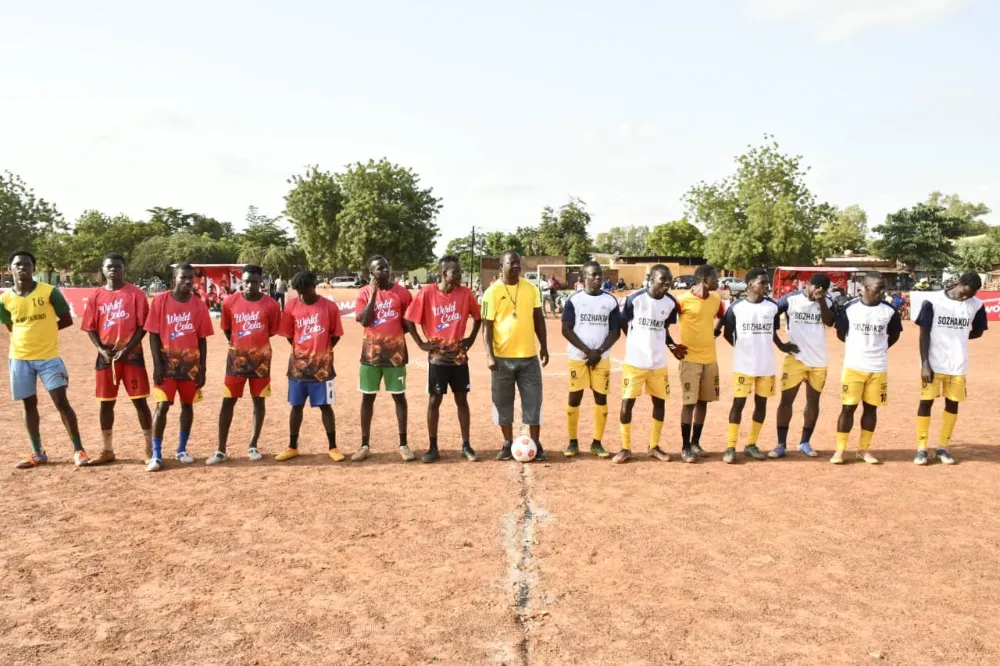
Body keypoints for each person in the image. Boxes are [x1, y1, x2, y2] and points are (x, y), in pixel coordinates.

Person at [1, 250, 91, 468]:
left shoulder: (50, 292)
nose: (22, 268)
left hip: (48, 357)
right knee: (28, 404)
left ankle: (79, 450)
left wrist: (46, 332)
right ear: (10, 268)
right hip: (20, 358)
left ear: (34, 268)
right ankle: (37, 452)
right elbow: (11, 326)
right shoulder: (5, 299)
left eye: (26, 264)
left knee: (61, 402)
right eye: (17, 264)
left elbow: (67, 320)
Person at [404, 255, 482, 462]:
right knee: (434, 400)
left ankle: (466, 445)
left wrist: (471, 339)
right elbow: (409, 320)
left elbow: (478, 317)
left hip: (458, 358)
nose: (459, 275)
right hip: (437, 359)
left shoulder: (465, 294)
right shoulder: (427, 293)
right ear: (443, 273)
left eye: (459, 271)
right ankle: (432, 447)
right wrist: (421, 343)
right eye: (455, 272)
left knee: (462, 400)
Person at [80, 252, 153, 465]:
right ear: (103, 270)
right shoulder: (96, 296)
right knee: (105, 404)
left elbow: (143, 326)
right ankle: (107, 449)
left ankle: (149, 448)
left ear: (124, 269)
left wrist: (128, 347)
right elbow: (90, 327)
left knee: (140, 402)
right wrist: (101, 349)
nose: (113, 270)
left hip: (132, 356)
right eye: (109, 266)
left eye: (117, 266)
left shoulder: (136, 294)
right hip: (106, 357)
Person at [721, 269, 798, 463]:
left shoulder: (772, 307)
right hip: (743, 366)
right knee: (738, 404)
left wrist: (781, 346)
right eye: (762, 283)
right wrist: (742, 349)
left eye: (767, 283)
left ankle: (751, 444)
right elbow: (727, 333)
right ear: (750, 285)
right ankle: (731, 447)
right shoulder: (736, 307)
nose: (766, 286)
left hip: (766, 366)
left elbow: (772, 331)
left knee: (761, 404)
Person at [144, 263, 215, 472]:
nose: (187, 281)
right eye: (183, 277)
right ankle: (156, 454)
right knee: (162, 406)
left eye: (190, 278)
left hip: (190, 367)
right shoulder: (160, 301)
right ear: (174, 278)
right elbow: (153, 335)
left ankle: (182, 449)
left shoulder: (199, 305)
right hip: (166, 366)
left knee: (187, 406)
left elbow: (202, 339)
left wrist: (202, 368)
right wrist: (157, 364)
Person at [208, 265, 282, 465]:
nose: (250, 285)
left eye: (255, 282)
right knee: (228, 401)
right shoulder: (230, 302)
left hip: (261, 361)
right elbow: (227, 329)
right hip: (235, 361)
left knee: (259, 401)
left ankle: (253, 445)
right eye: (246, 281)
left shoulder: (271, 305)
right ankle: (221, 449)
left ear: (262, 283)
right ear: (242, 281)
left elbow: (272, 331)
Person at [482, 251, 550, 460]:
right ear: (501, 266)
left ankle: (536, 444)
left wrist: (544, 346)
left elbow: (539, 319)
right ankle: (507, 443)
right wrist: (489, 355)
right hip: (502, 359)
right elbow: (487, 327)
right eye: (511, 263)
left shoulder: (531, 289)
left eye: (518, 264)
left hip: (528, 358)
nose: (516, 267)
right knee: (503, 402)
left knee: (534, 401)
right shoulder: (490, 293)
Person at [914, 272, 987, 465]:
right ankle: (921, 448)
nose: (966, 297)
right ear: (958, 283)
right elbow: (924, 334)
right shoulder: (933, 301)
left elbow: (978, 331)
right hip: (934, 364)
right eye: (964, 292)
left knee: (952, 404)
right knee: (926, 402)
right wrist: (925, 364)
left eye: (971, 295)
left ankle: (942, 447)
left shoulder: (976, 305)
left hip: (958, 365)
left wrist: (959, 337)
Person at [613, 264, 682, 464]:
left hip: (658, 363)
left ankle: (654, 446)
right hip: (634, 362)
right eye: (663, 280)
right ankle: (625, 448)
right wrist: (634, 340)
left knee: (659, 402)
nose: (667, 284)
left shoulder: (670, 303)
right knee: (627, 403)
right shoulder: (634, 300)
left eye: (669, 280)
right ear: (651, 280)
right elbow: (623, 322)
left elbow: (664, 328)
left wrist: (672, 346)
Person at [273, 271, 345, 461]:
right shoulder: (290, 307)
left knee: (326, 406)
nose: (302, 295)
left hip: (323, 368)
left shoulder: (329, 307)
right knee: (296, 406)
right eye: (299, 292)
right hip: (298, 367)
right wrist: (303, 353)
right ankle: (292, 446)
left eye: (305, 291)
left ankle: (333, 447)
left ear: (314, 286)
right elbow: (289, 334)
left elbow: (335, 335)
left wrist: (321, 352)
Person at [832, 272, 903, 464]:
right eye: (878, 288)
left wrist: (880, 349)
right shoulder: (849, 308)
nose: (882, 292)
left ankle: (864, 449)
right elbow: (841, 333)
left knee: (871, 409)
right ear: (864, 288)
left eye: (883, 288)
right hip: (853, 366)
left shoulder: (889, 311)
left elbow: (894, 335)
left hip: (878, 367)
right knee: (848, 408)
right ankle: (840, 450)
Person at [354, 255, 414, 461]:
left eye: (386, 266)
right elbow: (364, 321)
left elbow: (408, 324)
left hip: (395, 356)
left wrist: (392, 338)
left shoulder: (403, 294)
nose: (385, 271)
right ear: (371, 273)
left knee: (399, 398)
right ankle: (364, 445)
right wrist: (373, 294)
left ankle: (404, 444)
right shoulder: (363, 293)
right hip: (370, 356)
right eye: (379, 268)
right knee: (367, 398)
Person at [771, 273, 836, 458]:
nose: (817, 292)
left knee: (813, 401)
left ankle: (805, 442)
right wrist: (780, 344)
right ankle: (781, 444)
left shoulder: (827, 302)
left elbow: (830, 322)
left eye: (822, 290)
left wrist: (821, 302)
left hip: (819, 360)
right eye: (815, 288)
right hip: (796, 359)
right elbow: (768, 315)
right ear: (807, 284)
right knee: (786, 401)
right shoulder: (790, 299)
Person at [561, 261, 621, 459]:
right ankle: (572, 441)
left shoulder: (610, 302)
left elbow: (615, 332)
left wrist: (599, 352)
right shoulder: (574, 300)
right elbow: (566, 329)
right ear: (584, 278)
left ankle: (597, 442)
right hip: (578, 357)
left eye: (599, 275)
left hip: (601, 358)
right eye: (593, 275)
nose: (598, 278)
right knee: (574, 396)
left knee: (601, 398)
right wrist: (587, 351)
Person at [675, 265, 726, 463]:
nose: (719, 282)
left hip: (710, 359)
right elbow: (664, 322)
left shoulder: (716, 299)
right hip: (689, 359)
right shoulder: (682, 300)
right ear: (705, 279)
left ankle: (696, 442)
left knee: (703, 401)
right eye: (716, 278)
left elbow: (722, 316)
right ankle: (685, 446)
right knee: (689, 402)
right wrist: (673, 346)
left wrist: (715, 331)